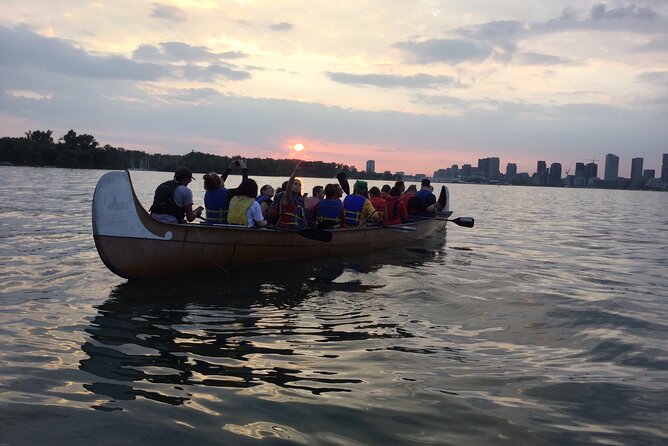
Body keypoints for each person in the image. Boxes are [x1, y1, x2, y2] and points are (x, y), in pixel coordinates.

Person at [276, 163, 306, 229]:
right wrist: (295, 171)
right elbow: (289, 186)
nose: (298, 185)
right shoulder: (288, 198)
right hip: (286, 228)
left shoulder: (300, 200)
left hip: (297, 228)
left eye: (300, 184)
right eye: (295, 184)